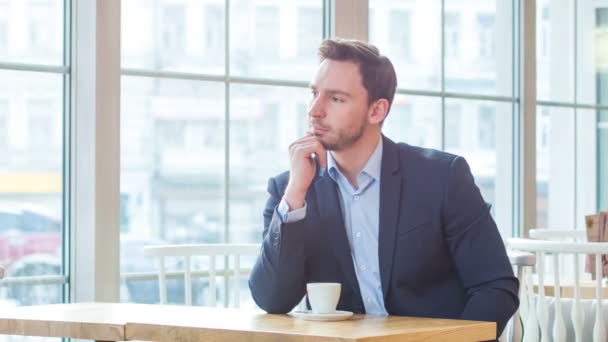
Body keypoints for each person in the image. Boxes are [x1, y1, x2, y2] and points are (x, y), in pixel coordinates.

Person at [248, 38, 518, 338]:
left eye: (336, 98)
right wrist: (296, 195)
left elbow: (495, 287)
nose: (315, 110)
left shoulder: (442, 177)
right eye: (314, 94)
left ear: (377, 110)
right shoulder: (290, 189)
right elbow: (272, 300)